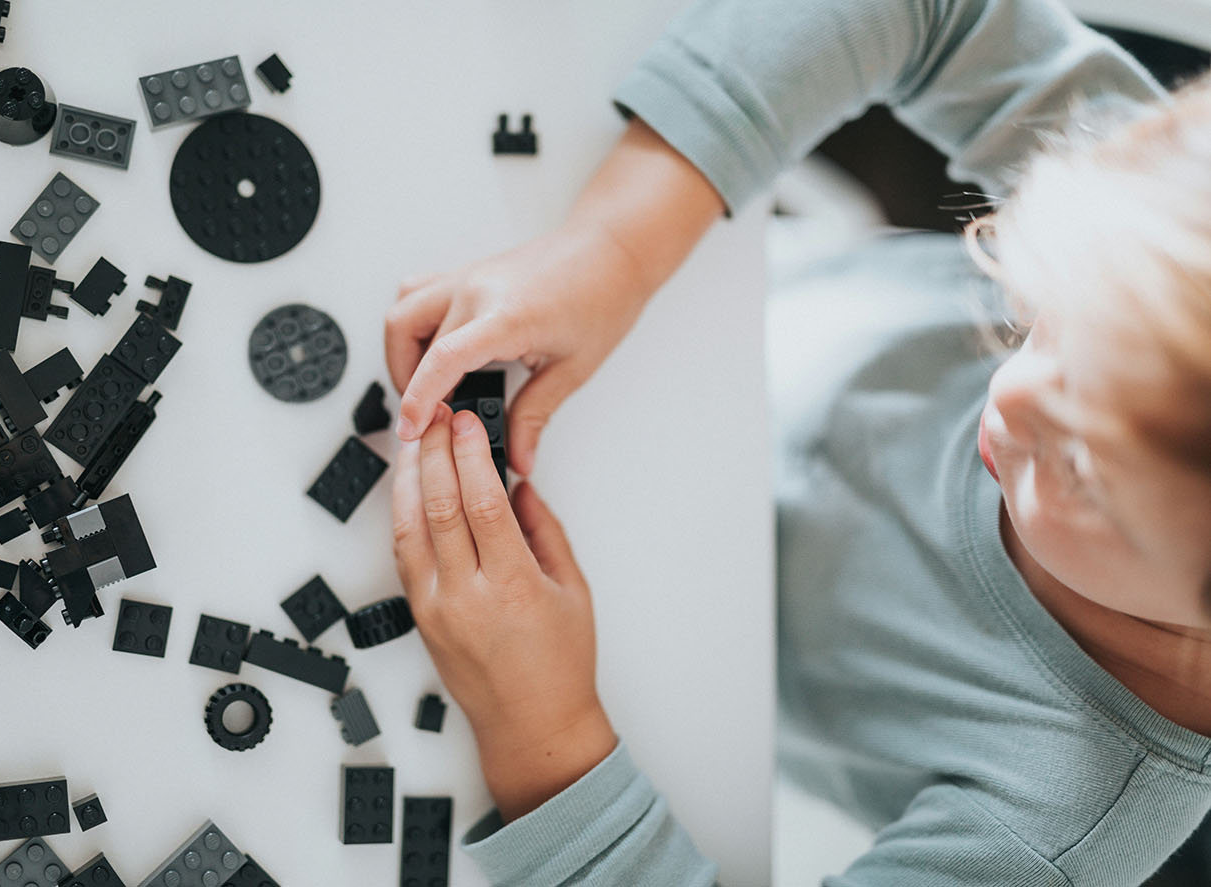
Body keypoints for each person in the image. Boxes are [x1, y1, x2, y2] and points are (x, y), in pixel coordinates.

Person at [384, 0, 1211, 883]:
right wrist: (614, 248)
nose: (1007, 397)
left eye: (1082, 468)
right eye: (1046, 315)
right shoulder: (1167, 229)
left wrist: (540, 731)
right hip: (726, 338)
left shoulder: (1061, 831)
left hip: (693, 673)